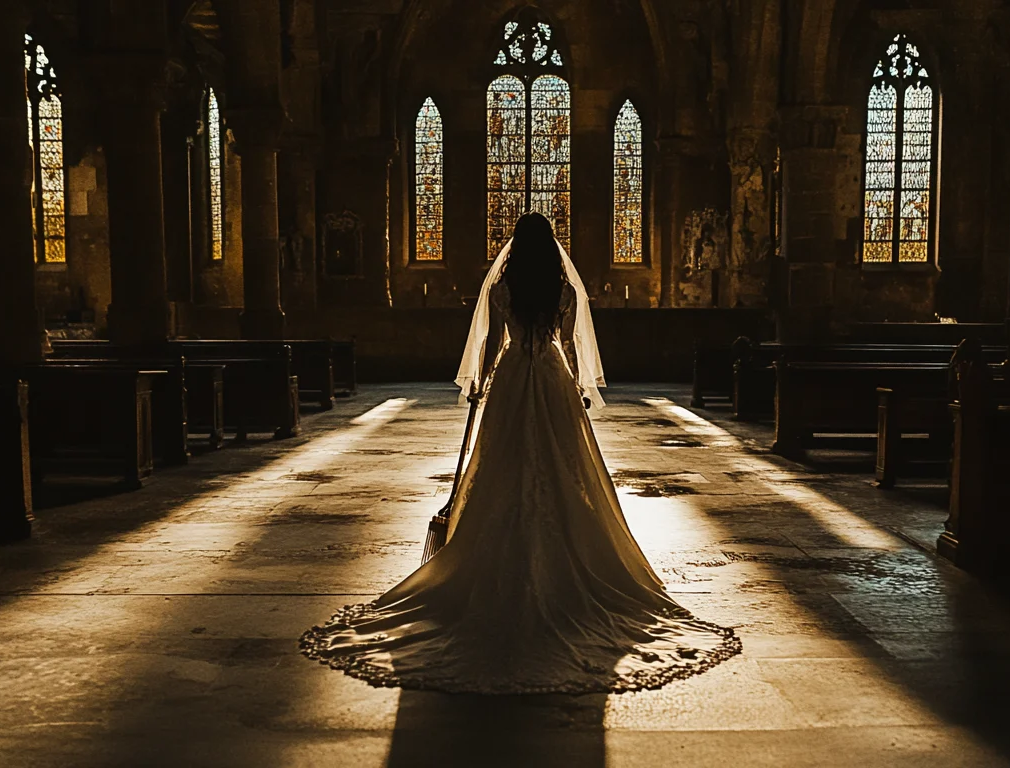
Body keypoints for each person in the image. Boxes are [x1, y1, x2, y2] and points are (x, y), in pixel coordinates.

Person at [300, 213, 740, 694]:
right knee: (563, 464)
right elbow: (570, 344)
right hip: (551, 376)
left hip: (512, 375)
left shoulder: (503, 289)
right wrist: (577, 385)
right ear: (551, 249)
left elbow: (491, 342)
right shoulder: (564, 290)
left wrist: (481, 383)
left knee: (504, 462)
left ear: (515, 247)